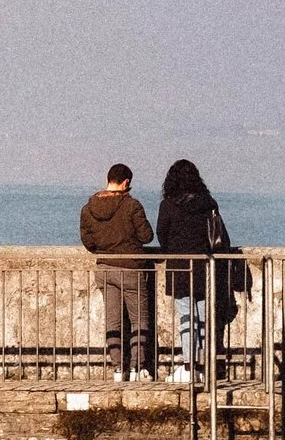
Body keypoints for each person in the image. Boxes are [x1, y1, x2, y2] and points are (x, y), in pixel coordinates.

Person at [156, 157, 239, 383]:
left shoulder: (168, 205)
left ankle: (188, 366)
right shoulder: (208, 204)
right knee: (203, 319)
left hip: (179, 267)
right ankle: (203, 367)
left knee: (186, 319)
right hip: (205, 267)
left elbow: (162, 234)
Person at [78, 162, 153, 380]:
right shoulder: (133, 206)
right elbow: (146, 236)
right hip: (131, 269)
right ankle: (138, 368)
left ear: (108, 179)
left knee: (113, 322)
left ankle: (119, 369)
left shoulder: (88, 208)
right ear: (126, 182)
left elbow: (88, 242)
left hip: (105, 268)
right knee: (139, 320)